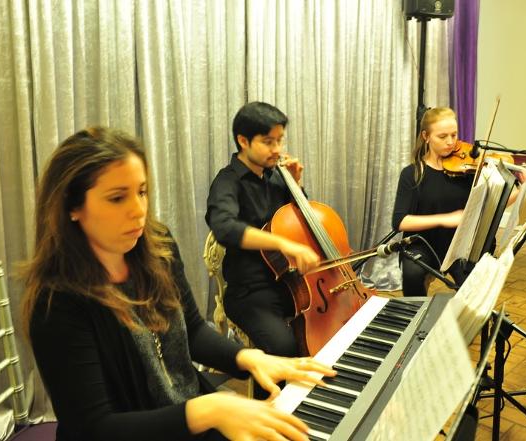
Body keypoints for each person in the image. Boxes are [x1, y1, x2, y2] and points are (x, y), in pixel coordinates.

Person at [22, 126, 334, 441]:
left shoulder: (158, 248)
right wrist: (212, 409)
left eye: (141, 192)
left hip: (187, 418)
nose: (138, 211)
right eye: (117, 198)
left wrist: (250, 358)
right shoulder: (56, 303)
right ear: (72, 207)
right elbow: (95, 428)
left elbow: (192, 331)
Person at [205, 102, 320, 392]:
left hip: (290, 281)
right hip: (250, 291)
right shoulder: (227, 181)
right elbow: (225, 227)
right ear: (243, 141)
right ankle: (269, 412)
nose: (278, 149)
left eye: (280, 140)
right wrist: (281, 243)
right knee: (283, 346)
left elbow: (300, 221)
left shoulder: (277, 176)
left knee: (327, 330)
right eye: (268, 142)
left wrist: (297, 185)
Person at [391, 107, 475, 296]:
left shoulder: (466, 170)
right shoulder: (412, 173)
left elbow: (491, 203)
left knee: (474, 284)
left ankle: (464, 324)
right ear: (426, 136)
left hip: (457, 245)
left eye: (454, 135)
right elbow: (400, 221)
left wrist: (521, 188)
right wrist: (443, 219)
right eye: (442, 136)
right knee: (412, 275)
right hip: (422, 244)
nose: (451, 142)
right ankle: (417, 320)